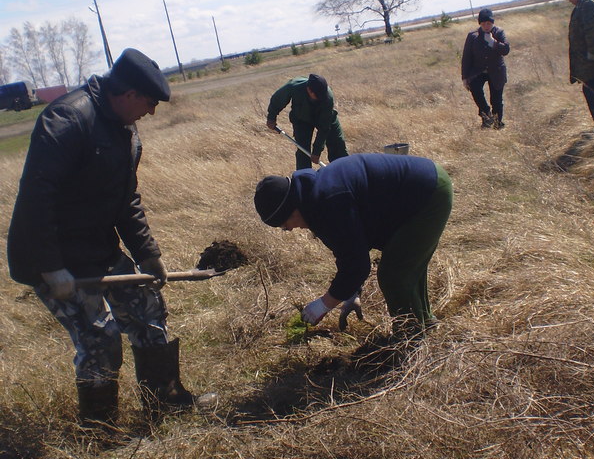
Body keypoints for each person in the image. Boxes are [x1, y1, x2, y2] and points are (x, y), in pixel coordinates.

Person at [6, 49, 216, 428]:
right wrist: (52, 269)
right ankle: (100, 430)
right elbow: (38, 198)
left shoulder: (124, 129)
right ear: (129, 94)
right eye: (150, 103)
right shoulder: (68, 119)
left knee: (148, 311)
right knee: (101, 338)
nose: (151, 113)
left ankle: (167, 402)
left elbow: (126, 197)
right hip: (52, 256)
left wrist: (148, 254)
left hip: (98, 249)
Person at [254, 153, 453, 336]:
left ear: (292, 210)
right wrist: (351, 292)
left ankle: (412, 338)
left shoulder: (328, 201)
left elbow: (357, 265)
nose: (288, 230)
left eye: (283, 225)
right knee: (406, 263)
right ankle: (425, 324)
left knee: (395, 274)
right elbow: (351, 249)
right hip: (426, 185)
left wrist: (323, 305)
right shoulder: (314, 198)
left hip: (428, 193)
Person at [266, 73, 348, 169]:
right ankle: (305, 179)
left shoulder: (327, 97)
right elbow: (278, 99)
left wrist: (317, 152)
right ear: (309, 90)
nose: (320, 98)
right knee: (303, 151)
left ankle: (345, 172)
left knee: (337, 143)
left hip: (324, 117)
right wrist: (271, 117)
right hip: (301, 119)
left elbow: (324, 128)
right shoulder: (294, 86)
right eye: (318, 96)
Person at [461, 8, 511, 129]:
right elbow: (466, 57)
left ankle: (497, 123)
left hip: (496, 70)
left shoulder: (499, 33)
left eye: (488, 23)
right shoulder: (473, 36)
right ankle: (486, 116)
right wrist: (465, 77)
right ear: (480, 24)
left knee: (496, 99)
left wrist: (493, 42)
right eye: (483, 23)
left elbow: (506, 50)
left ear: (492, 23)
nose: (486, 26)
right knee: (475, 89)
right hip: (479, 71)